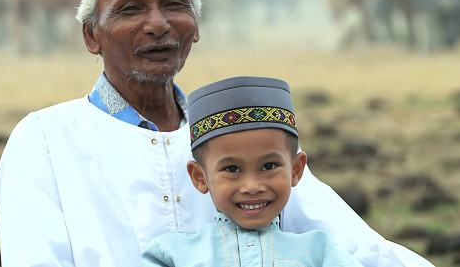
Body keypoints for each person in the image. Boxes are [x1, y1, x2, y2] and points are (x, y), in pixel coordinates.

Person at [0, 0, 434, 267]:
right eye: (130, 8)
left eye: (174, 3)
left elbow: (360, 248)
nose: (157, 23)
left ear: (196, 24)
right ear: (92, 35)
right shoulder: (44, 141)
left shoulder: (239, 130)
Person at [141, 76, 365, 266]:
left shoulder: (321, 253)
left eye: (268, 166)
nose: (252, 186)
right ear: (200, 177)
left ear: (296, 170)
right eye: (232, 169)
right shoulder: (172, 255)